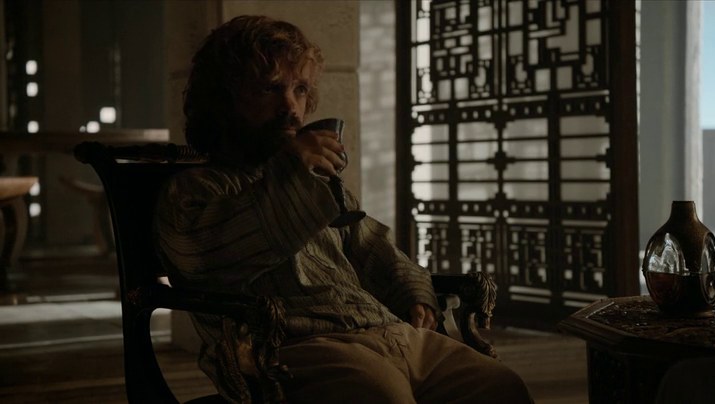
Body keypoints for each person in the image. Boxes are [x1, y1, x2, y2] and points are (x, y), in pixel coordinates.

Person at [153, 15, 534, 404]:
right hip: (295, 348)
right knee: (379, 397)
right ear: (224, 100)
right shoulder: (195, 189)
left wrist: (413, 292)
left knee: (500, 387)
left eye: (300, 89)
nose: (291, 107)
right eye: (270, 88)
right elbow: (203, 259)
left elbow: (374, 247)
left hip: (393, 334)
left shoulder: (319, 186)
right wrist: (291, 173)